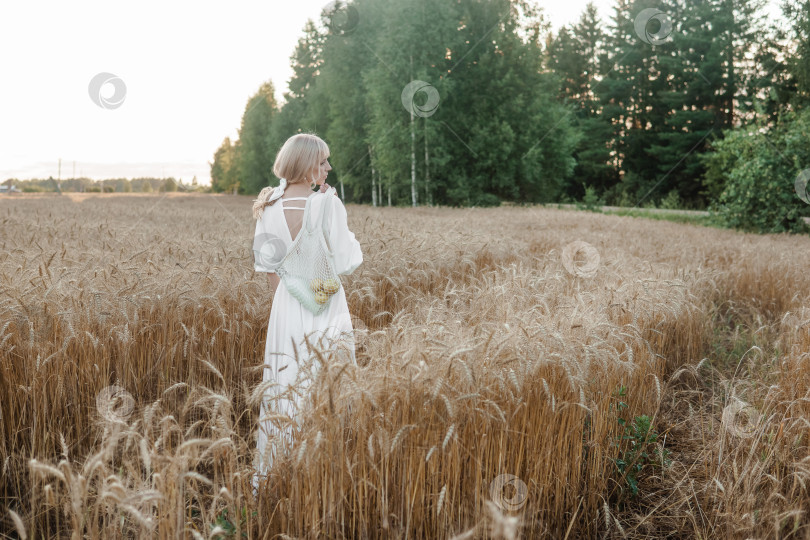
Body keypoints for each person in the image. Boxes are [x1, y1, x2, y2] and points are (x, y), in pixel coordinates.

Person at [250, 133, 363, 493]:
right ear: (306, 164)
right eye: (323, 161)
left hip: (285, 302)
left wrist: (286, 302)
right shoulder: (328, 203)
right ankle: (323, 477)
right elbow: (346, 261)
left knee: (284, 384)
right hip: (324, 297)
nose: (328, 167)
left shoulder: (268, 205)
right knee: (328, 379)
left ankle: (276, 477)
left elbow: (268, 266)